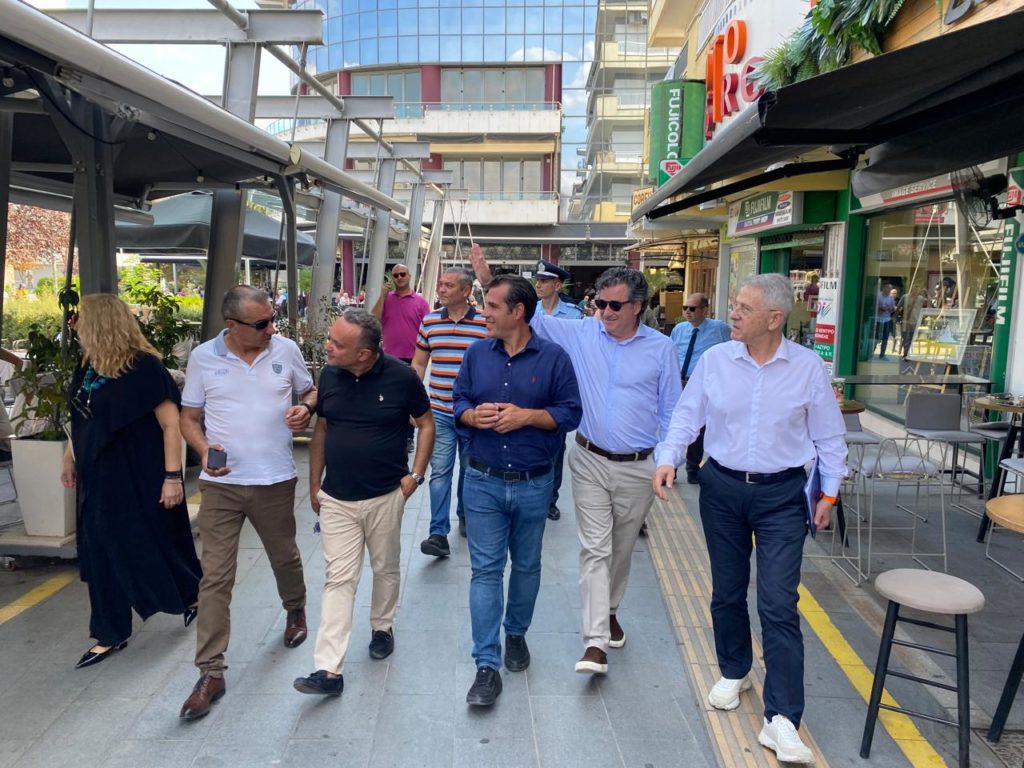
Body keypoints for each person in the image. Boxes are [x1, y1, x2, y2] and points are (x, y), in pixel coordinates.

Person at [653, 273, 847, 765]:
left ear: (774, 318)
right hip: (721, 489)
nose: (732, 314)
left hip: (782, 495)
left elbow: (829, 436)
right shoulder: (717, 360)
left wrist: (829, 493)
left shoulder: (807, 368)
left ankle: (782, 717)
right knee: (727, 590)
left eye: (743, 308)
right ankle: (735, 668)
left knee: (779, 602)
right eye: (734, 304)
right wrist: (668, 457)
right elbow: (687, 415)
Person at [469, 247, 679, 676]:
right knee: (595, 549)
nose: (605, 312)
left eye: (615, 305)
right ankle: (595, 642)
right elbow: (526, 317)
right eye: (600, 303)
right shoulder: (582, 333)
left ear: (638, 306)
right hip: (588, 458)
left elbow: (673, 410)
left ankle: (610, 608)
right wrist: (489, 280)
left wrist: (667, 459)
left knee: (621, 549)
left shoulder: (661, 349)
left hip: (639, 465)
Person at [178, 285, 317, 721]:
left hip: (275, 479)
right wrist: (203, 450)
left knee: (284, 556)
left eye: (272, 319)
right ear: (231, 325)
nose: (271, 329)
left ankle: (295, 608)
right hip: (221, 486)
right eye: (262, 323)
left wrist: (306, 409)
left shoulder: (286, 350)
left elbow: (311, 392)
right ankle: (210, 672)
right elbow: (188, 417)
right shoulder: (204, 358)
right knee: (215, 577)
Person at [453, 274, 582, 707]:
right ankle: (486, 664)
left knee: (526, 566)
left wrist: (526, 416)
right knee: (486, 571)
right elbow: (458, 401)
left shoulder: (554, 358)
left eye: (492, 306)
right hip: (482, 481)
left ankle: (516, 633)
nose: (484, 313)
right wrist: (472, 417)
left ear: (518, 312)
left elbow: (571, 413)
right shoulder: (475, 354)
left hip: (533, 483)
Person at [293, 309, 434, 697]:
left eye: (337, 344)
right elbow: (322, 429)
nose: (328, 348)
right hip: (337, 498)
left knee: (385, 566)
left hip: (386, 495)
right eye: (330, 339)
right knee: (339, 578)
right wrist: (314, 484)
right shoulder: (330, 376)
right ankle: (328, 670)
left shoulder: (402, 378)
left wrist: (415, 475)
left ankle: (382, 626)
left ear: (365, 354)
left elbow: (426, 424)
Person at [60, 294, 202, 669]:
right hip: (98, 475)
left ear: (100, 323)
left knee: (151, 542)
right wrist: (69, 456)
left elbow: (170, 425)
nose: (75, 325)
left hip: (139, 474)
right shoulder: (88, 365)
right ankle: (110, 631)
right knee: (99, 549)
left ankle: (190, 593)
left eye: (80, 319)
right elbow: (82, 418)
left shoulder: (145, 368)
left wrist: (172, 479)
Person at [412, 268, 488, 557]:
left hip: (473, 414)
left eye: (448, 285)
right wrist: (412, 402)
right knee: (440, 472)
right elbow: (419, 364)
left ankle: (465, 514)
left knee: (470, 469)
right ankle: (438, 533)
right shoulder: (430, 321)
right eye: (440, 284)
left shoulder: (484, 323)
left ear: (466, 291)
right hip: (439, 412)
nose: (441, 289)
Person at [533, 260, 583, 521]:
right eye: (538, 280)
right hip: (530, 382)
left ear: (557, 285)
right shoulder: (529, 310)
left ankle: (550, 498)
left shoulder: (574, 314)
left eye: (544, 281)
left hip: (559, 385)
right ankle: (532, 492)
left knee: (557, 444)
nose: (538, 284)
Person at [669, 293, 731, 484]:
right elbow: (672, 353)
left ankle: (692, 467)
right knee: (674, 423)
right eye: (685, 308)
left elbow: (733, 350)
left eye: (692, 308)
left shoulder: (720, 329)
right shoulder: (679, 329)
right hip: (679, 382)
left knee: (698, 426)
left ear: (705, 310)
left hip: (703, 384)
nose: (687, 312)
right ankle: (670, 465)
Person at [370, 265, 430, 364]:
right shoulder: (386, 299)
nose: (399, 277)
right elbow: (373, 320)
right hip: (389, 355)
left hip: (414, 356)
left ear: (409, 276)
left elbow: (428, 329)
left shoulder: (421, 302)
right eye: (396, 275)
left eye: (402, 274)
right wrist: (382, 296)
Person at [897, 285, 929, 359]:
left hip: (915, 322)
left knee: (912, 339)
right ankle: (906, 354)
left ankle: (907, 353)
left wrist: (927, 293)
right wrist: (896, 317)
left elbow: (928, 304)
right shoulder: (905, 297)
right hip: (905, 321)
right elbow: (898, 307)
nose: (917, 291)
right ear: (912, 289)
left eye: (918, 290)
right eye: (915, 289)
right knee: (906, 338)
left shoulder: (921, 299)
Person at [875, 284, 896, 359]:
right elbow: (874, 306)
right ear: (883, 288)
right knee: (875, 337)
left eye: (890, 289)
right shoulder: (878, 296)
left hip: (887, 319)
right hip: (878, 319)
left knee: (885, 338)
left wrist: (891, 309)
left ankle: (882, 354)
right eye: (887, 288)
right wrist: (880, 308)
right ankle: (871, 353)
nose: (888, 290)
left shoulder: (891, 298)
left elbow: (893, 308)